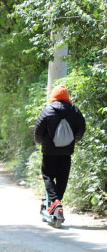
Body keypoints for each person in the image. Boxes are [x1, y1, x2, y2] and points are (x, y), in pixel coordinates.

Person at [34, 84, 86, 216]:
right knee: (63, 177)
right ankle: (58, 203)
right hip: (66, 152)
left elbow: (38, 131)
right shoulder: (75, 110)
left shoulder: (47, 110)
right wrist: (73, 141)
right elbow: (81, 129)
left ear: (54, 97)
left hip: (49, 152)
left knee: (48, 175)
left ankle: (55, 201)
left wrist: (40, 142)